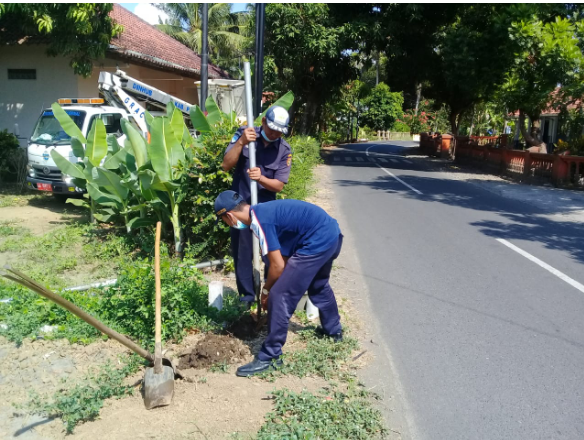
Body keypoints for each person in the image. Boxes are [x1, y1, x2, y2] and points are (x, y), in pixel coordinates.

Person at [214, 190, 344, 377]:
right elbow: (281, 256)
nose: (228, 225)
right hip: (331, 235)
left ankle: (270, 356)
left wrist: (267, 291)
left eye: (225, 221)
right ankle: (334, 332)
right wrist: (273, 283)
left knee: (280, 296)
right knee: (318, 285)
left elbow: (278, 265)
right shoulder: (262, 212)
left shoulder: (261, 222)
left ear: (228, 216)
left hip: (317, 241)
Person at [221, 106, 293, 307]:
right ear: (263, 122)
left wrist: (261, 178)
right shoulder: (244, 135)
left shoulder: (284, 150)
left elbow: (278, 185)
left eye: (279, 131)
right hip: (241, 207)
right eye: (271, 129)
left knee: (272, 253)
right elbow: (226, 164)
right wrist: (242, 142)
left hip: (267, 210)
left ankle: (273, 294)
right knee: (242, 251)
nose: (274, 134)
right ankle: (246, 297)